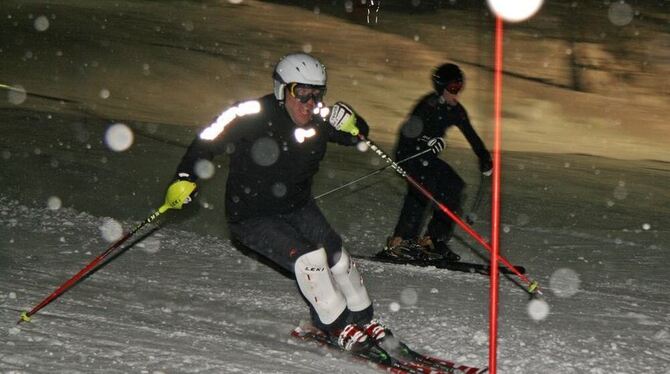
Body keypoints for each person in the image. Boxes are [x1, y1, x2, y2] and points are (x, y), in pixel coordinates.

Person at [163, 53, 391, 353]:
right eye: (301, 92)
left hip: (296, 205)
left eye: (316, 94)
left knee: (338, 257)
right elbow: (207, 139)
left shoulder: (320, 117)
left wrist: (353, 122)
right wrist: (184, 176)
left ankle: (362, 319)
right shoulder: (251, 114)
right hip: (251, 215)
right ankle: (335, 326)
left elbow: (358, 136)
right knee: (311, 261)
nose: (309, 103)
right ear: (282, 89)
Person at [382, 63, 492, 262]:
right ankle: (400, 242)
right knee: (423, 187)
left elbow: (470, 134)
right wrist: (425, 141)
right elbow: (407, 134)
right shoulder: (427, 105)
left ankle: (433, 239)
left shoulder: (455, 110)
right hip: (408, 155)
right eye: (452, 89)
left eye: (459, 89)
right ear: (441, 87)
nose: (456, 94)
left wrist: (484, 156)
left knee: (454, 185)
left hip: (427, 157)